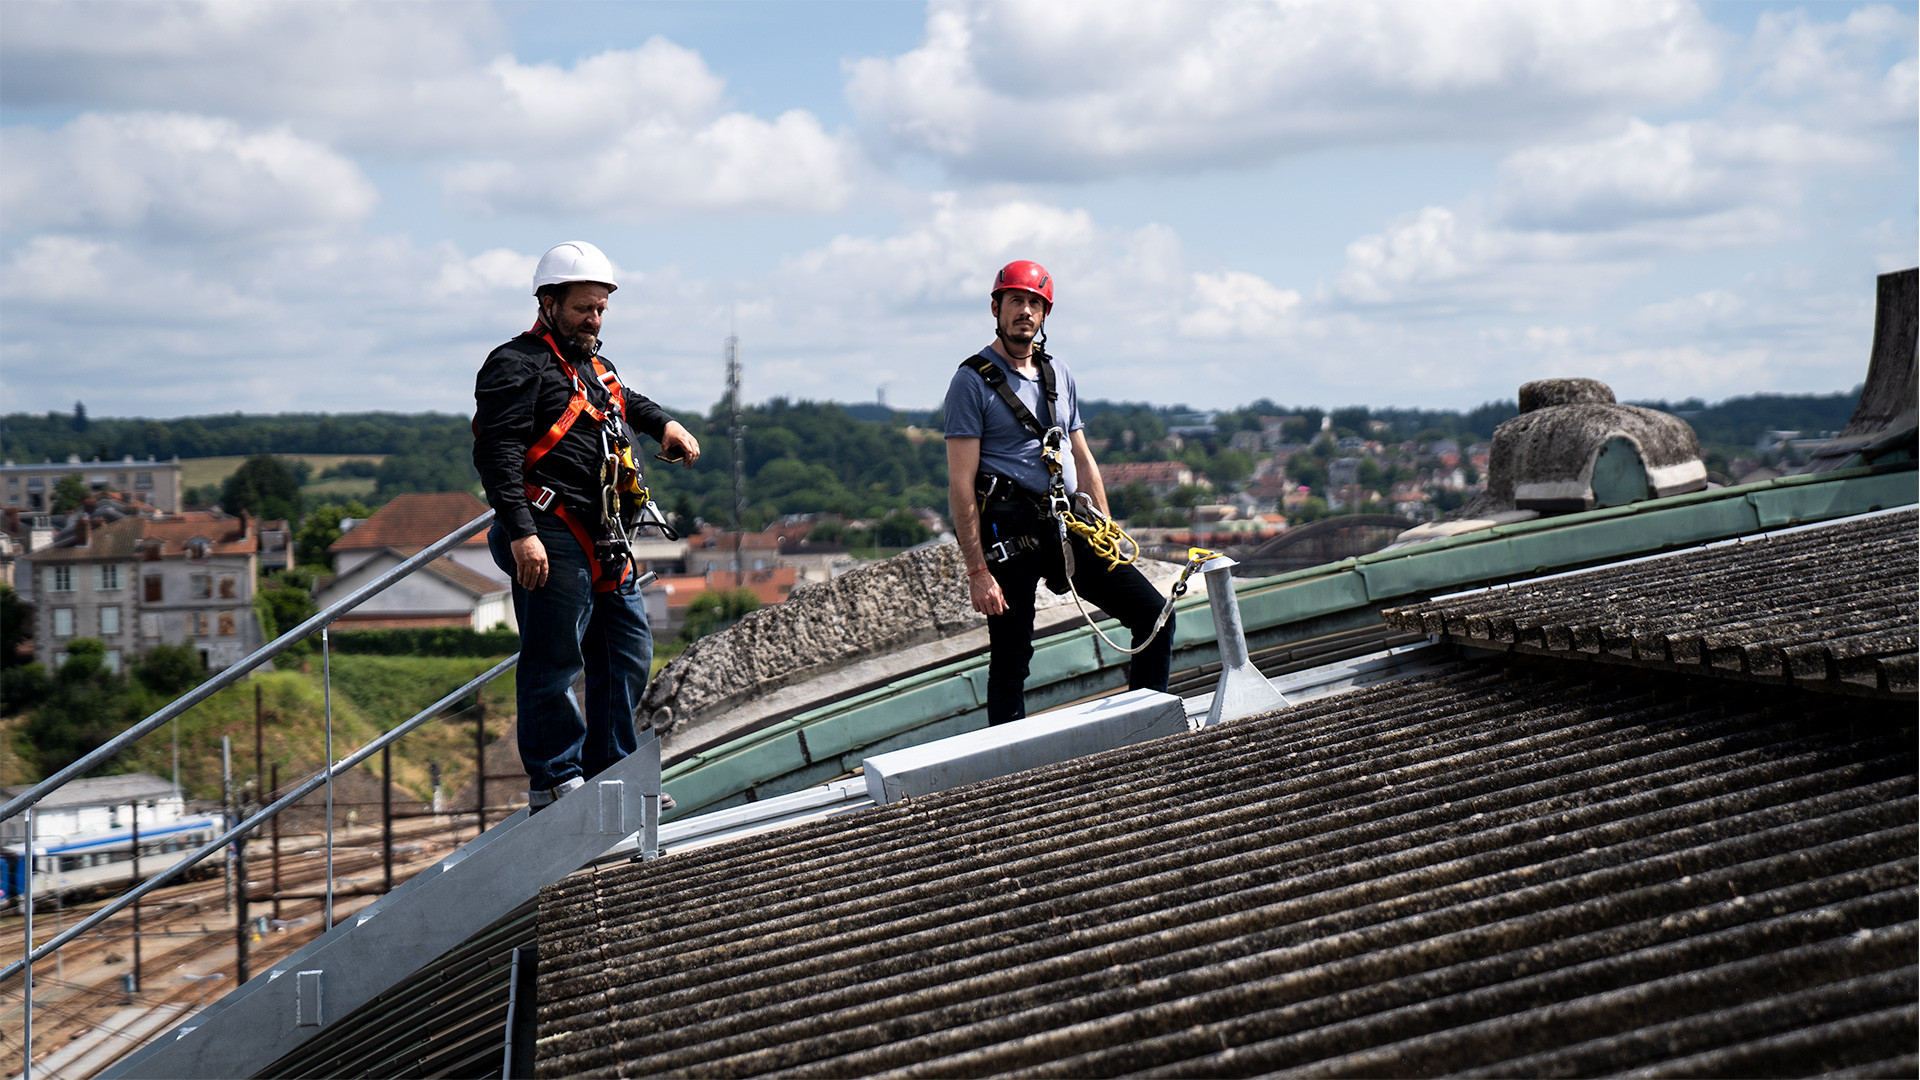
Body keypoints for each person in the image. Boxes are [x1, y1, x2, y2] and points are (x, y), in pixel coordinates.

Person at [473, 241, 700, 810]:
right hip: (547, 530)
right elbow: (497, 453)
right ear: (548, 302)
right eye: (583, 309)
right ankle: (555, 779)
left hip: (603, 535)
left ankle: (613, 774)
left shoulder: (596, 365)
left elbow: (625, 400)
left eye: (600, 309)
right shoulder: (515, 364)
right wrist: (522, 532)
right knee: (555, 656)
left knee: (626, 651)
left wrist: (664, 424)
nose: (594, 320)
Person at [944, 259, 1174, 725]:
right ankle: (1007, 772)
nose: (1024, 311)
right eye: (1015, 301)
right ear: (996, 308)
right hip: (1009, 533)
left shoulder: (1058, 374)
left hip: (1067, 522)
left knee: (1153, 615)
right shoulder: (971, 382)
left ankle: (1148, 729)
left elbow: (1082, 459)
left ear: (1044, 314)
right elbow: (960, 484)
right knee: (1011, 658)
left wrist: (1105, 529)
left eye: (1034, 303)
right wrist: (977, 571)